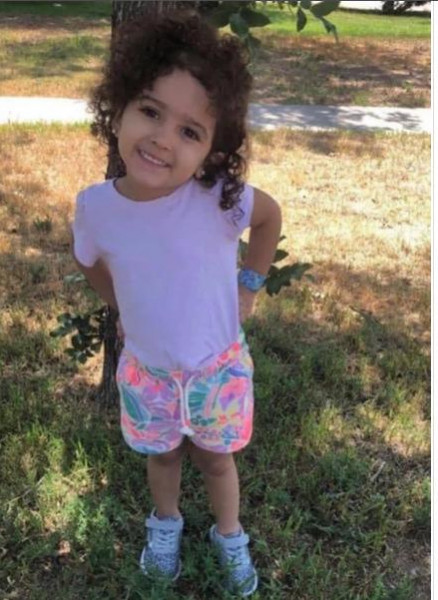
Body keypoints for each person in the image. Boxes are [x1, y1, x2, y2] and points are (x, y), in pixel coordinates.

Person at [71, 9, 282, 597]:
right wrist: (121, 305)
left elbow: (269, 219)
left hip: (217, 370)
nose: (164, 139)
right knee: (161, 458)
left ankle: (228, 533)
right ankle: (165, 525)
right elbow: (87, 260)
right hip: (148, 373)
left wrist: (249, 286)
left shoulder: (220, 201)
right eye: (150, 110)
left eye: (190, 132)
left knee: (217, 461)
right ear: (118, 107)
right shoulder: (95, 209)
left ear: (212, 150)